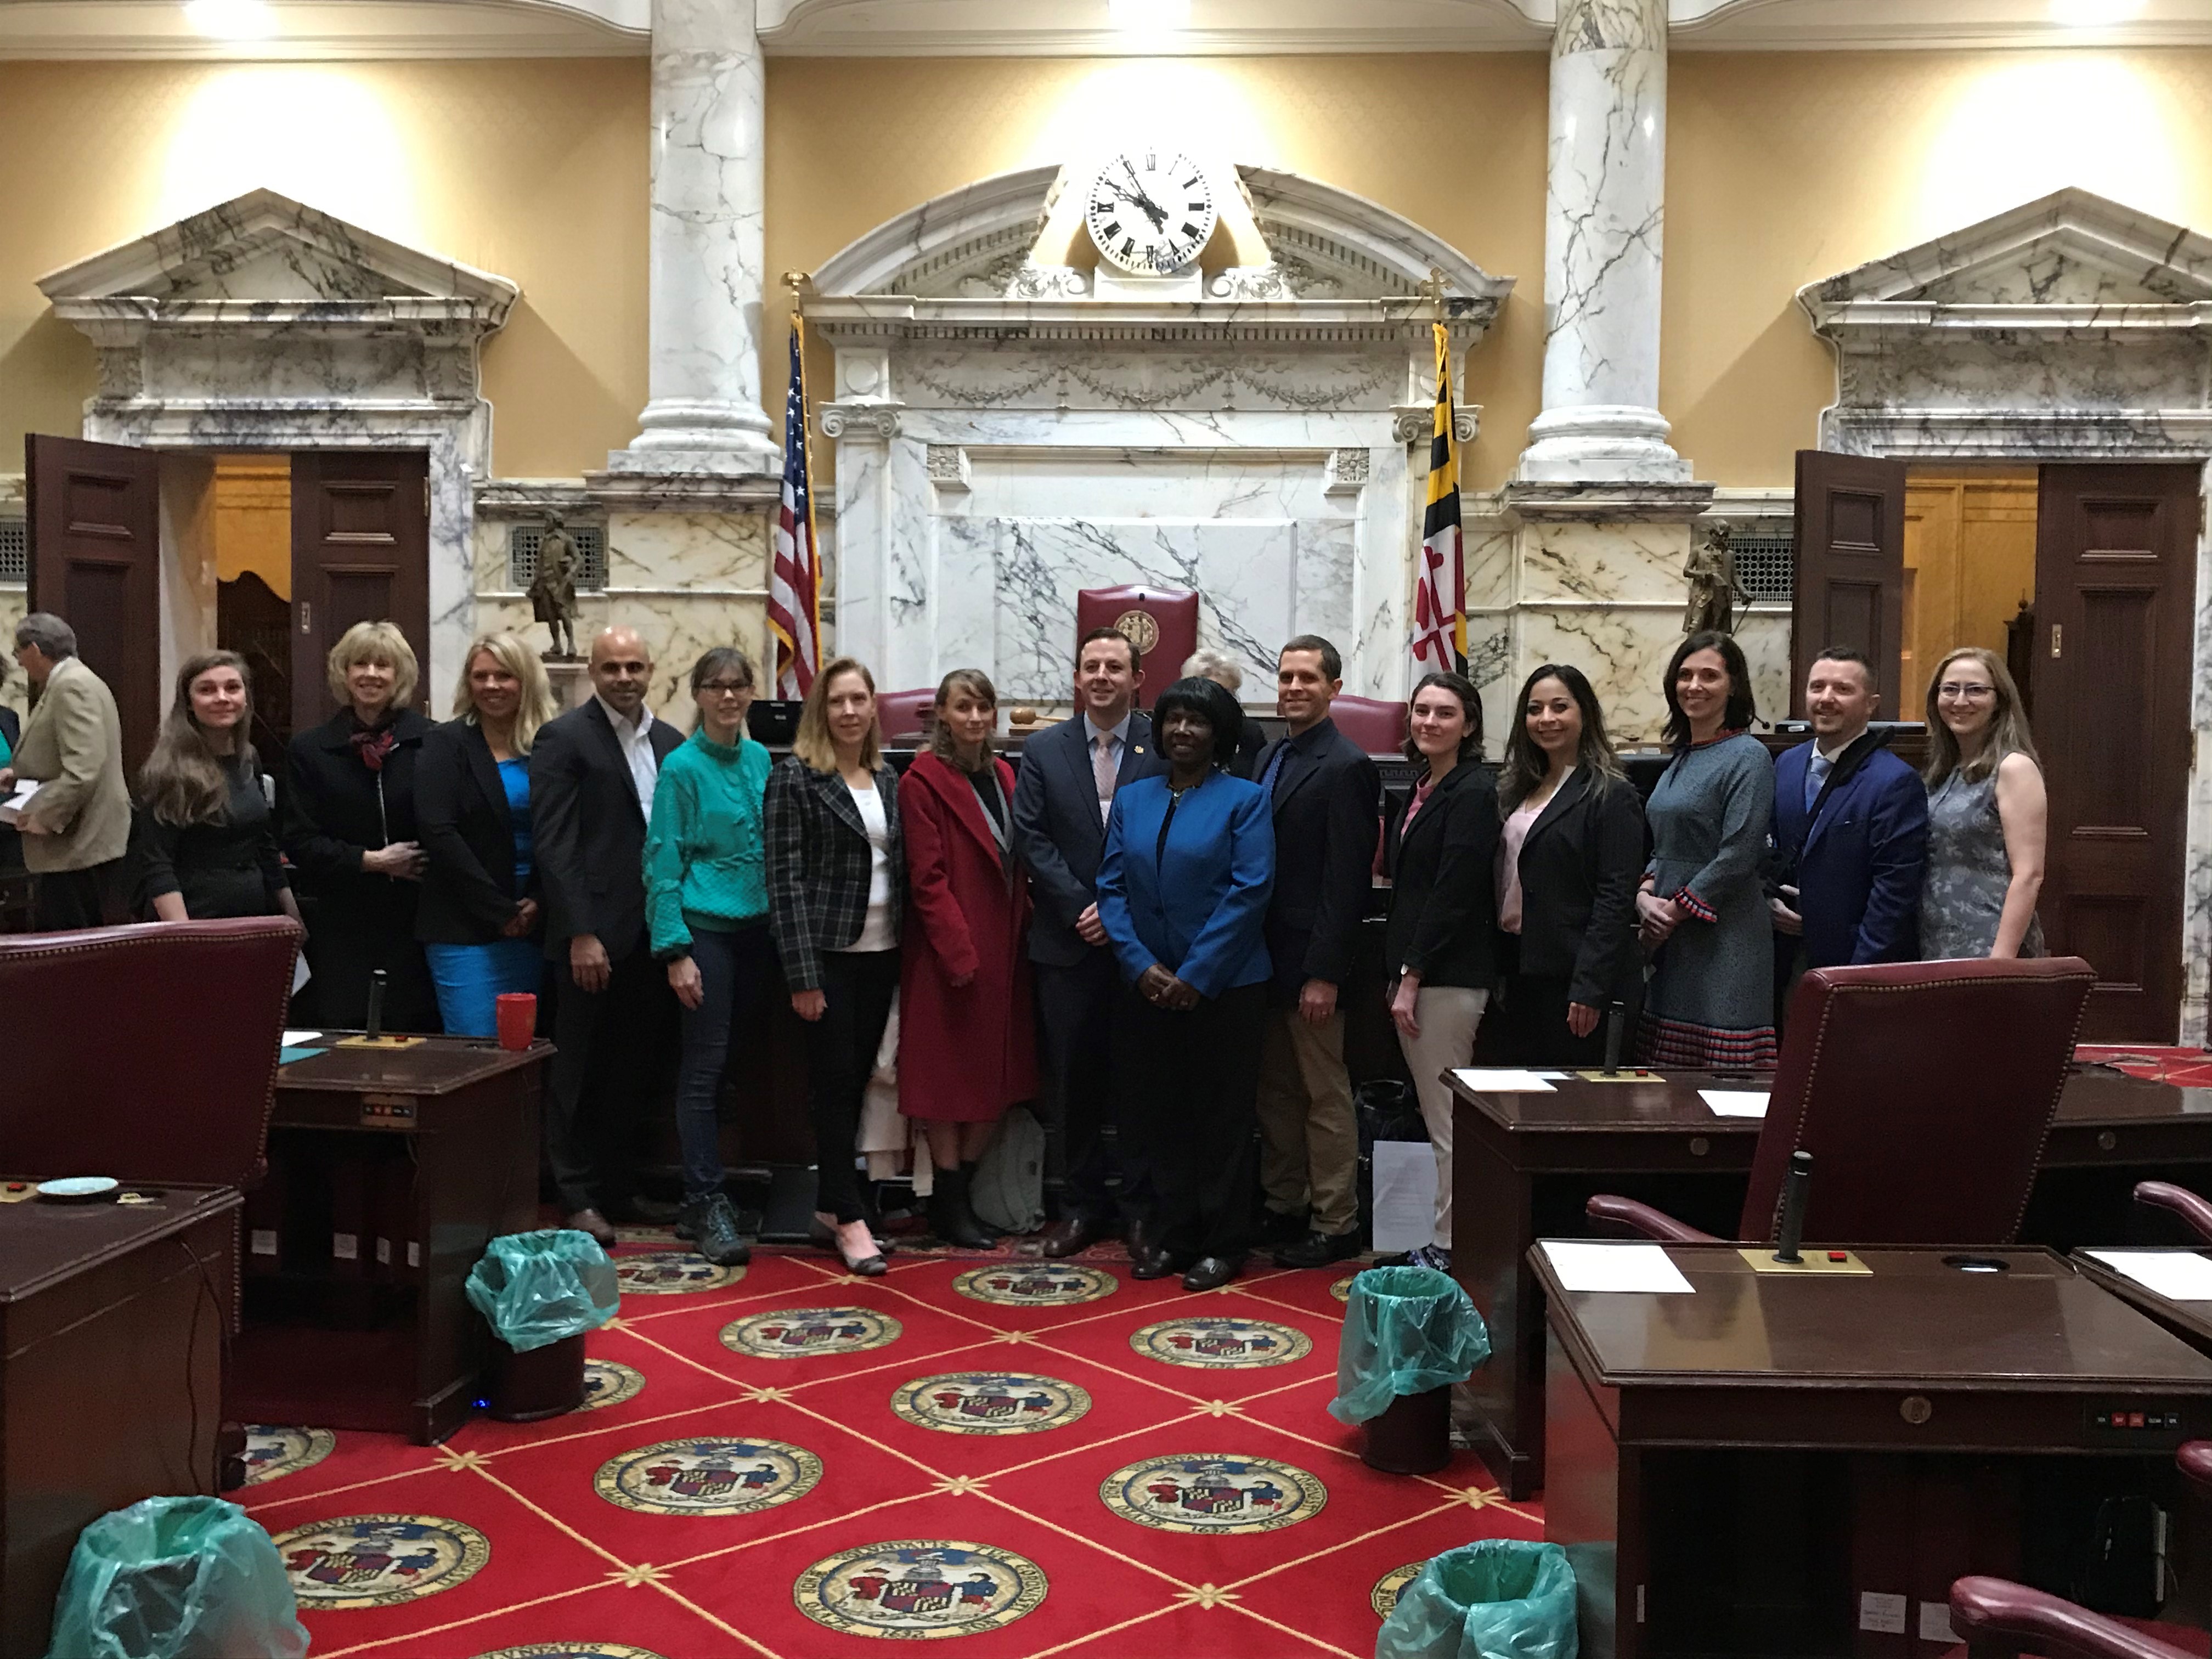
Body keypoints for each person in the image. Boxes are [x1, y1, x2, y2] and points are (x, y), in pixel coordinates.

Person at [1097, 675, 1274, 1292]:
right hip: (1146, 987)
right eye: (1173, 720)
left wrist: (1197, 975)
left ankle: (1224, 1245)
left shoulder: (1246, 800)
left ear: (1219, 733)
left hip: (1227, 990)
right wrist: (1140, 965)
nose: (1183, 731)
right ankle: (1174, 1237)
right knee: (1161, 1116)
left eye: (1197, 722)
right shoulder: (1134, 799)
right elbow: (1112, 888)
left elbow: (1250, 892)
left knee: (1222, 1120)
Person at [1010, 627, 1166, 1259]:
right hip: (1067, 944)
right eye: (1091, 666)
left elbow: (1172, 834)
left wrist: (1118, 911)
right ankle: (1078, 1209)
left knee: (1141, 1082)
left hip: (1141, 947)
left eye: (1114, 667)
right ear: (1077, 678)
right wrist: (1082, 906)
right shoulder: (1044, 749)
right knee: (1073, 1085)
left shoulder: (1165, 744)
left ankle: (1140, 1212)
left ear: (1137, 680)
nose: (1102, 676)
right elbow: (1031, 837)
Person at [533, 625, 683, 1246]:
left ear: (652, 670)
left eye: (634, 666)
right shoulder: (564, 738)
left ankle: (620, 1187)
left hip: (654, 937)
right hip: (592, 940)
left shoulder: (672, 743)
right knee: (577, 1072)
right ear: (593, 674)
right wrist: (580, 933)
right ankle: (576, 1195)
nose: (624, 677)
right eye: (612, 667)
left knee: (633, 1070)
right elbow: (556, 843)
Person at [766, 656, 905, 1277]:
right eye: (837, 702)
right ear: (821, 711)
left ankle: (832, 1205)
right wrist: (803, 976)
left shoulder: (887, 777)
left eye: (859, 700)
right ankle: (849, 1217)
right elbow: (784, 883)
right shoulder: (796, 778)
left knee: (856, 1084)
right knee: (832, 1086)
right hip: (826, 958)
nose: (849, 712)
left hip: (882, 953)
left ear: (874, 707)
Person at [1250, 635, 1378, 1271]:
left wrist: (1325, 973)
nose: (1294, 687)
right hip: (1263, 960)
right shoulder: (1272, 757)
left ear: (1334, 688)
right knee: (1275, 1093)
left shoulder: (1346, 765)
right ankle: (1284, 1204)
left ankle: (1336, 1220)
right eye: (1285, 676)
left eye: (1307, 677)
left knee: (1323, 1096)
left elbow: (1345, 882)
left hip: (1312, 967)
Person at [897, 669, 1036, 1248]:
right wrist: (958, 951)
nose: (976, 718)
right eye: (963, 708)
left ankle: (962, 1192)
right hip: (950, 953)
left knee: (997, 1084)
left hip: (1006, 948)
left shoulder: (1004, 773)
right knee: (947, 1087)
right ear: (943, 716)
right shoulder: (921, 781)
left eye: (984, 707)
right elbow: (927, 880)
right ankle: (950, 1205)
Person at [644, 647, 774, 1270]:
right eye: (715, 687)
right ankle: (704, 1199)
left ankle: (708, 1194)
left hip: (758, 931)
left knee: (735, 1067)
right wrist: (675, 951)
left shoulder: (759, 759)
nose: (728, 697)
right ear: (697, 694)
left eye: (739, 686)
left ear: (752, 694)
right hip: (704, 932)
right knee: (703, 1068)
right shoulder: (681, 768)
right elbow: (662, 863)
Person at [1381, 671, 1499, 1274]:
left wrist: (1411, 975)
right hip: (1421, 974)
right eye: (1421, 711)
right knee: (1436, 1117)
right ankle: (1441, 1235)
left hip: (1445, 978)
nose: (1429, 722)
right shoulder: (1425, 784)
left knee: (1450, 1121)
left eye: (1444, 713)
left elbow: (1453, 892)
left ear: (1469, 725)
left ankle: (1451, 1246)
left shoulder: (1475, 790)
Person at [283, 622, 436, 1031]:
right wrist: (371, 861)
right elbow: (299, 840)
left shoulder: (435, 742)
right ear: (344, 673)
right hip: (342, 921)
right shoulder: (310, 749)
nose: (371, 674)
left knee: (417, 1036)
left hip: (418, 921)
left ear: (400, 674)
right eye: (360, 664)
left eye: (383, 665)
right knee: (344, 1034)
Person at [1636, 631, 1777, 1069]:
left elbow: (1739, 852)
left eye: (1709, 676)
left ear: (1733, 685)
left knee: (1722, 1081)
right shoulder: (1682, 757)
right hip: (1672, 940)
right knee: (1666, 1084)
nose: (1694, 686)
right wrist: (1643, 897)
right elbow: (1664, 847)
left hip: (1726, 937)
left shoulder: (1748, 756)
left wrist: (1674, 911)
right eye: (1685, 675)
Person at [1493, 664, 1644, 1069]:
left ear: (1585, 714)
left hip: (1574, 978)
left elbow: (1615, 898)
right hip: (1520, 967)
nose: (1546, 719)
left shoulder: (1610, 794)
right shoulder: (1518, 788)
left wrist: (1589, 987)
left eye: (1560, 707)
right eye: (1535, 709)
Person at [1768, 647, 1928, 1001]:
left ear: (1871, 704)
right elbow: (1770, 849)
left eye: (1842, 689)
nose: (1826, 699)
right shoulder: (1786, 765)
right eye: (1817, 687)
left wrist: (1854, 981)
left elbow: (1894, 895)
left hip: (1854, 966)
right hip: (1780, 963)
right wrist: (1768, 902)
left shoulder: (1895, 782)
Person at [414, 633, 550, 1038]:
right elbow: (439, 833)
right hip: (465, 927)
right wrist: (501, 911)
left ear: (525, 681)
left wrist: (539, 902)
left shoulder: (550, 744)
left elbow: (566, 831)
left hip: (537, 925)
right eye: (481, 676)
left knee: (527, 1049)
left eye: (504, 676)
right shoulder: (445, 743)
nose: (491, 686)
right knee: (476, 1047)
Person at [132, 651, 300, 926]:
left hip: (252, 914)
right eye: (207, 690)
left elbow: (264, 846)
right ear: (189, 703)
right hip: (195, 917)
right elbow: (157, 864)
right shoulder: (167, 770)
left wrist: (293, 916)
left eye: (232, 688)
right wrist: (186, 937)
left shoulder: (248, 758)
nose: (222, 698)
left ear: (246, 698)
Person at [2, 613, 130, 930]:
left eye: (19, 653)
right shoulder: (75, 680)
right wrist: (17, 775)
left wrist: (45, 817)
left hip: (79, 841)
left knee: (73, 944)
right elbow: (67, 757)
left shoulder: (71, 685)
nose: (19, 663)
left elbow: (83, 768)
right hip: (82, 840)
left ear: (33, 648)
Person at [1920, 646, 2047, 960]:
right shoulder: (1944, 772)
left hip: (1990, 944)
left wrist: (1999, 961)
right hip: (1937, 941)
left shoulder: (2014, 768)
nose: (1961, 701)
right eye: (1950, 689)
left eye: (1975, 690)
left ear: (1999, 701)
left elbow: (2029, 875)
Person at [1183, 647, 1264, 778]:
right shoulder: (1180, 730)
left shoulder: (1249, 732)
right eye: (1212, 692)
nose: (1220, 699)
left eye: (1227, 693)